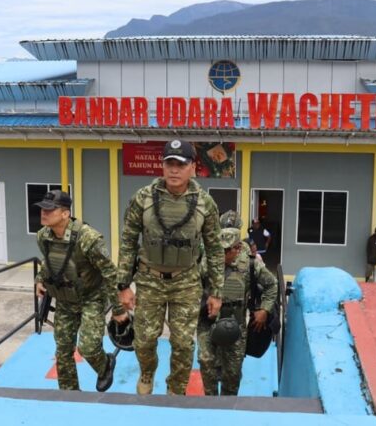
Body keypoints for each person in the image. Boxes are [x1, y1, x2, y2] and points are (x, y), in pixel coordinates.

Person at [116, 139, 224, 396]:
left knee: (183, 344)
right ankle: (146, 373)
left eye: (181, 164)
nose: (174, 170)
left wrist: (216, 292)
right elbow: (128, 242)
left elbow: (215, 249)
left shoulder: (205, 203)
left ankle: (176, 389)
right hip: (149, 279)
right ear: (162, 166)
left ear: (193, 167)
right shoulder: (142, 198)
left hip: (186, 281)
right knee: (144, 340)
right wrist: (123, 286)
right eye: (169, 164)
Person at [34, 189, 126, 392]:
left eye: (49, 210)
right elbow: (48, 261)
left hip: (91, 298)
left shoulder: (88, 238)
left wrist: (118, 309)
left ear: (65, 213)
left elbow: (110, 273)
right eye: (42, 209)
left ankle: (105, 365)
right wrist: (40, 279)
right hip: (65, 300)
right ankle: (70, 394)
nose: (44, 213)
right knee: (63, 350)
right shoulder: (43, 236)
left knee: (89, 348)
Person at [197, 227, 277, 396]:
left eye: (228, 250)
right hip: (208, 321)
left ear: (238, 248)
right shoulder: (207, 262)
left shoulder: (250, 264)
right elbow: (191, 285)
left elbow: (272, 285)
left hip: (236, 324)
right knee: (206, 360)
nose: (223, 254)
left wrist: (264, 309)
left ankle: (228, 403)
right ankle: (210, 401)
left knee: (232, 373)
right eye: (221, 250)